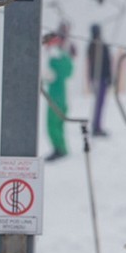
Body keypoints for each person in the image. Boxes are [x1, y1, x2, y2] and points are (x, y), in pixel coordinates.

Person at [42, 32, 72, 162]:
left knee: (52, 125)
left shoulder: (53, 57)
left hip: (56, 97)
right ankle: (61, 148)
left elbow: (48, 75)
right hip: (62, 97)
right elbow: (69, 71)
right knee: (58, 124)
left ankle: (59, 149)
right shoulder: (63, 56)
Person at [88, 24, 111, 137]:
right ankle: (96, 126)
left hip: (101, 78)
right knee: (98, 103)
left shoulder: (101, 45)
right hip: (98, 79)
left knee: (100, 103)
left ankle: (97, 125)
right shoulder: (93, 46)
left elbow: (107, 62)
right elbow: (91, 64)